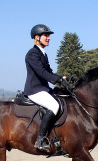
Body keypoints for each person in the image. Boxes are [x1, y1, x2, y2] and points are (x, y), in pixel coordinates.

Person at [24, 24, 66, 152]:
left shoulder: (43, 54)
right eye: (46, 35)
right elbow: (41, 72)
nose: (48, 38)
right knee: (54, 106)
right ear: (37, 37)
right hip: (34, 90)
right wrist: (57, 79)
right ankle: (40, 139)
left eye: (49, 36)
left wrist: (63, 78)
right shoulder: (32, 54)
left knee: (62, 101)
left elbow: (49, 71)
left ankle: (56, 138)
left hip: (43, 88)